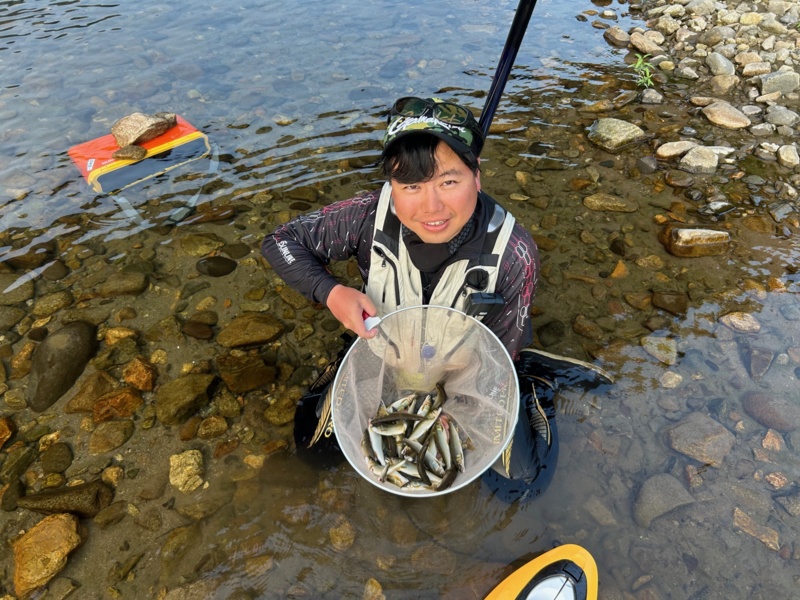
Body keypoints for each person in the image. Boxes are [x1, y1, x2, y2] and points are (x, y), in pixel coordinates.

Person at [261, 96, 611, 493]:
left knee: (519, 483)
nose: (432, 207)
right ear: (392, 186)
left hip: (466, 369)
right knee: (313, 453)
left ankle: (534, 380)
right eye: (411, 185)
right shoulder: (365, 215)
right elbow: (281, 241)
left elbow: (501, 351)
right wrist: (331, 292)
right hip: (385, 353)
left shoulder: (515, 254)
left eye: (448, 181)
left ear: (476, 176)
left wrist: (456, 408)